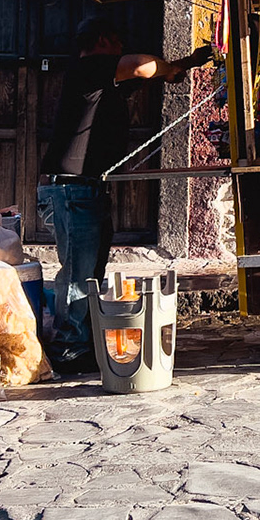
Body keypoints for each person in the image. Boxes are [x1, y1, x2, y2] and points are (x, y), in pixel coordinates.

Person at [38, 19, 212, 374]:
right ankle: (69, 348)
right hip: (71, 189)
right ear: (102, 40)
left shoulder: (102, 81)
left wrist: (188, 63)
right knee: (78, 273)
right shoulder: (90, 67)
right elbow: (142, 65)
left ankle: (83, 342)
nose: (121, 48)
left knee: (91, 271)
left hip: (84, 188)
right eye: (118, 41)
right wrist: (166, 70)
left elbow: (152, 74)